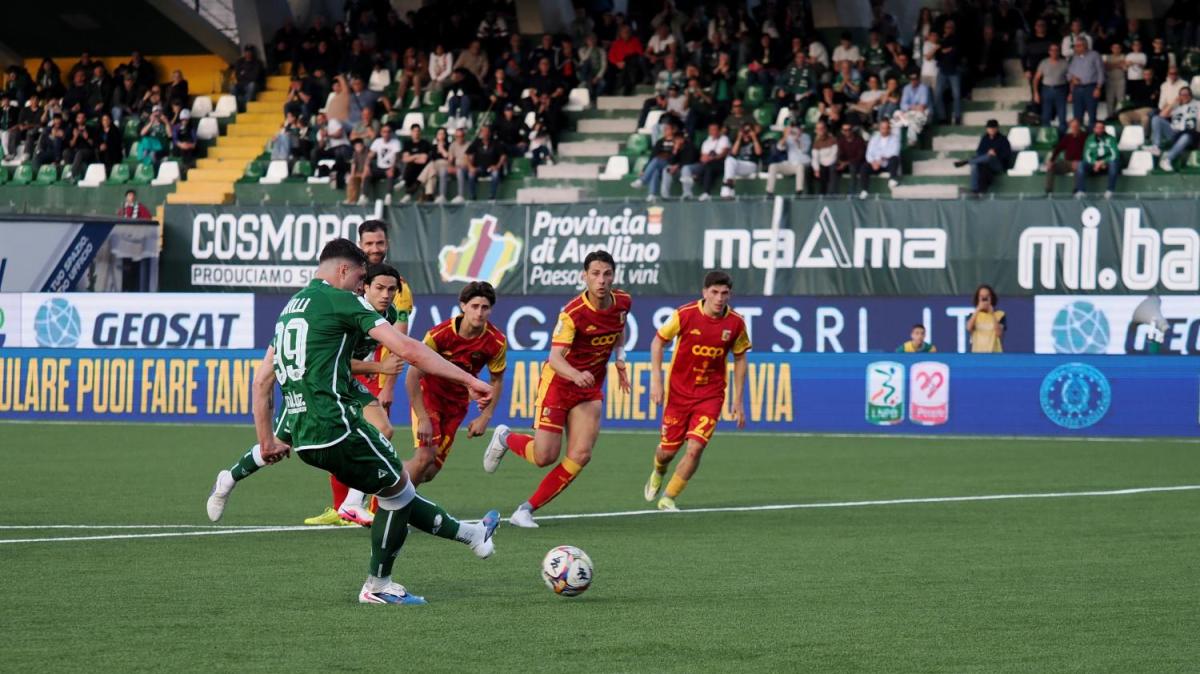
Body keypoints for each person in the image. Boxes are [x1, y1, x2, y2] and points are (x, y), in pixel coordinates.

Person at [205, 239, 500, 605]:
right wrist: (471, 380)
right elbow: (409, 350)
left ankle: (471, 534)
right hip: (335, 425)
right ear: (344, 271)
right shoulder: (341, 300)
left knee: (398, 488)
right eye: (362, 278)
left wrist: (266, 440)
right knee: (397, 494)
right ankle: (377, 586)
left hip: (304, 425)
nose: (363, 286)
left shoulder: (291, 308)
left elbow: (263, 379)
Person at [482, 251, 632, 528]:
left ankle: (525, 510)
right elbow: (555, 358)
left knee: (581, 455)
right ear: (584, 276)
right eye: (595, 274)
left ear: (614, 275)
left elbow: (619, 328)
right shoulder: (572, 314)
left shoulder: (623, 302)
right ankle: (505, 438)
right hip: (560, 385)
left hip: (588, 390)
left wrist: (620, 358)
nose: (601, 280)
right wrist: (576, 375)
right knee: (544, 457)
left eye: (607, 274)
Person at [303, 221, 415, 527]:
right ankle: (346, 506)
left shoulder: (394, 298)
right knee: (291, 442)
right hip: (329, 376)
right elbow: (334, 357)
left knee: (376, 434)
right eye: (369, 244)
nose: (375, 249)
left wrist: (387, 384)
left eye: (380, 243)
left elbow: (399, 343)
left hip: (361, 375)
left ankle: (352, 505)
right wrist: (380, 369)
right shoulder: (344, 296)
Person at [644, 271, 749, 511]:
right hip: (678, 395)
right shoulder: (684, 314)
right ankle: (659, 470)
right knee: (667, 452)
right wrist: (656, 380)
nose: (719, 298)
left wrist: (738, 399)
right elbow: (657, 342)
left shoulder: (736, 323)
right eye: (714, 292)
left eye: (724, 293)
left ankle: (669, 497)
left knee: (695, 448)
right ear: (704, 293)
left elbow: (741, 358)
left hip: (710, 396)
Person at [406, 282, 507, 486]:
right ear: (463, 306)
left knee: (429, 471)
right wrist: (423, 417)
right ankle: (380, 509)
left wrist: (485, 417)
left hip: (456, 407)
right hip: (429, 398)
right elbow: (412, 376)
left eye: (485, 307)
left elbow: (496, 380)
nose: (479, 312)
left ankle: (387, 486)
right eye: (474, 306)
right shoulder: (439, 335)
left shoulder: (496, 342)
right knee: (425, 457)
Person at [955, 119, 1012, 196]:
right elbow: (979, 152)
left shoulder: (1003, 140)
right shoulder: (985, 138)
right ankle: (974, 190)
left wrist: (995, 154)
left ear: (996, 128)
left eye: (992, 128)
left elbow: (1006, 155)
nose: (991, 130)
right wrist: (987, 154)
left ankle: (968, 161)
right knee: (975, 165)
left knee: (989, 157)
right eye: (989, 128)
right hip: (985, 164)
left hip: (998, 164)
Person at [1151, 86, 1200, 171]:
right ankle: (1156, 146)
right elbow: (1162, 115)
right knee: (1156, 119)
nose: (1184, 96)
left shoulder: (1197, 104)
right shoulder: (1176, 106)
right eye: (1182, 95)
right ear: (1179, 96)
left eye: (1186, 94)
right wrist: (1173, 103)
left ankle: (1167, 159)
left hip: (1189, 134)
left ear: (1191, 95)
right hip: (1174, 133)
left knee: (1186, 136)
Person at [630, 120, 678, 201]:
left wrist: (675, 150)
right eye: (664, 129)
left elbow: (678, 156)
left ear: (673, 130)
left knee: (656, 160)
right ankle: (652, 194)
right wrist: (644, 169)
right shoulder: (660, 142)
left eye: (667, 129)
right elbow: (652, 156)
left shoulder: (676, 141)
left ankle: (643, 181)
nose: (665, 131)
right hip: (659, 163)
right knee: (654, 169)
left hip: (670, 163)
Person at [1075, 119, 1121, 198]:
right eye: (1097, 128)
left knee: (1114, 163)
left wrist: (1102, 162)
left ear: (1104, 129)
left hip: (1106, 164)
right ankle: (1081, 191)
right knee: (1080, 164)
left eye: (1101, 128)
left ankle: (1110, 190)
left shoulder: (1111, 139)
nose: (1099, 130)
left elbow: (1115, 154)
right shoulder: (1089, 139)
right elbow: (1086, 155)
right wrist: (1095, 163)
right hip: (1093, 164)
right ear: (1094, 129)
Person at [1066, 37, 1104, 129]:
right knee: (1077, 116)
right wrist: (1072, 79)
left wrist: (1098, 88)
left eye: (1078, 46)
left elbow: (1101, 72)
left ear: (1085, 46)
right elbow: (1068, 74)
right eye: (1075, 46)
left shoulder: (1094, 55)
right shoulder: (1074, 57)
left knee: (1092, 115)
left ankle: (1092, 139)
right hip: (1077, 89)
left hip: (1091, 88)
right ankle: (1080, 139)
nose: (1076, 48)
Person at [687, 122, 730, 200]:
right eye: (711, 130)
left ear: (719, 130)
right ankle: (696, 177)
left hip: (722, 163)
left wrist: (712, 158)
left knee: (708, 166)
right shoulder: (706, 142)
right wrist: (705, 159)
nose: (713, 131)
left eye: (714, 130)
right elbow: (702, 156)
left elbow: (724, 153)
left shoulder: (724, 139)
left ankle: (704, 188)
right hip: (707, 164)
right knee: (703, 167)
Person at [858, 118, 901, 197]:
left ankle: (892, 179)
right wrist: (873, 162)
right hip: (876, 165)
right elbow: (869, 154)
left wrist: (881, 159)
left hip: (888, 164)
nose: (884, 130)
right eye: (882, 128)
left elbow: (894, 152)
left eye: (886, 128)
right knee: (864, 167)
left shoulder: (895, 138)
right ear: (879, 128)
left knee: (894, 159)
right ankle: (864, 190)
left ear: (889, 128)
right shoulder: (874, 138)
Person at [1043, 118, 1086, 194]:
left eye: (1076, 126)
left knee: (1079, 167)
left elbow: (1088, 151)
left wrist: (1080, 160)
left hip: (1080, 162)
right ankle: (1048, 191)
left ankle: (1076, 191)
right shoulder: (1067, 137)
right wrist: (1051, 161)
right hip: (1067, 162)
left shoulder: (1085, 137)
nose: (1074, 128)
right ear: (1070, 127)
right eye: (1072, 126)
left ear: (1079, 126)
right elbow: (1058, 149)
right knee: (1051, 167)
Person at [1033, 43, 1069, 134]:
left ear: (1059, 51)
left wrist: (1071, 93)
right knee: (1046, 115)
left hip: (1061, 89)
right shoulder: (1044, 62)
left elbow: (1070, 79)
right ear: (1049, 52)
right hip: (1047, 90)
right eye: (1052, 50)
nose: (1054, 52)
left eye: (1056, 50)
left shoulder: (1064, 63)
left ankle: (1062, 137)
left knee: (1062, 115)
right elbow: (1036, 79)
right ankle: (1047, 136)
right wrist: (1036, 93)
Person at [766, 122, 810, 195]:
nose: (795, 130)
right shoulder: (789, 137)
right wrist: (786, 135)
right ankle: (769, 192)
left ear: (801, 129)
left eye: (796, 128)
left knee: (800, 166)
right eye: (793, 128)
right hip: (791, 164)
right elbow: (779, 147)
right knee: (773, 166)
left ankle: (799, 191)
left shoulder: (806, 136)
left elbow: (804, 149)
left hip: (804, 163)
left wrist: (798, 139)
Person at [720, 123, 763, 198]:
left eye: (748, 131)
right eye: (744, 131)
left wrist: (754, 137)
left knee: (729, 171)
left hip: (751, 165)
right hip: (739, 165)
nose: (746, 133)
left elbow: (758, 152)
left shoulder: (756, 139)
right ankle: (728, 191)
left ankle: (727, 190)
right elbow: (733, 152)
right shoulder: (739, 141)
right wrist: (739, 138)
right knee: (729, 160)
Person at [465, 124, 506, 200]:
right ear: (481, 133)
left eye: (487, 131)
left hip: (491, 167)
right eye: (483, 131)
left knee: (495, 174)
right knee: (470, 174)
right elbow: (467, 154)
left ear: (490, 133)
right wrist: (470, 167)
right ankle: (472, 196)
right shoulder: (477, 142)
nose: (485, 133)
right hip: (479, 168)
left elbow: (503, 156)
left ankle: (492, 196)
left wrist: (497, 166)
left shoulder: (495, 142)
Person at [934, 21, 963, 124]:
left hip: (954, 70)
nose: (948, 29)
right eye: (947, 27)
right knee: (937, 94)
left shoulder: (957, 38)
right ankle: (942, 118)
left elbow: (956, 52)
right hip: (942, 70)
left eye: (950, 27)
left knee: (956, 95)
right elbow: (937, 55)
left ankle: (957, 117)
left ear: (954, 28)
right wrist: (943, 49)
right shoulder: (941, 40)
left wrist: (944, 50)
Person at [364, 123, 402, 203]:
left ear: (391, 133)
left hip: (392, 167)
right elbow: (370, 155)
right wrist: (366, 166)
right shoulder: (377, 141)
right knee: (367, 174)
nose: (386, 134)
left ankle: (389, 196)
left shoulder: (396, 142)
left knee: (391, 173)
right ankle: (364, 196)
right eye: (384, 132)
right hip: (380, 168)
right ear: (381, 133)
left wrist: (392, 168)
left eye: (388, 132)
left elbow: (397, 157)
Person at [966, 284, 1005, 353]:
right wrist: (978, 309)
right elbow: (969, 328)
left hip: (995, 354)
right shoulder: (973, 315)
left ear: (991, 297)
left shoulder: (1000, 314)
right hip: (977, 354)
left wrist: (992, 314)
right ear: (978, 298)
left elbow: (999, 333)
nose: (984, 299)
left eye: (987, 296)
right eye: (981, 297)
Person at [398, 123, 432, 202]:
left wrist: (412, 157)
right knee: (410, 165)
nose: (416, 133)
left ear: (420, 132)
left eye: (418, 131)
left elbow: (424, 160)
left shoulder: (425, 143)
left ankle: (405, 184)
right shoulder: (407, 143)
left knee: (413, 167)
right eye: (414, 131)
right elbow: (405, 159)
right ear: (411, 132)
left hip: (422, 168)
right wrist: (417, 156)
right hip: (411, 168)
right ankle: (407, 191)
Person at [834, 121, 865, 195]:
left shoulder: (859, 140)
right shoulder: (840, 140)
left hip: (856, 163)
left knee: (853, 167)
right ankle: (833, 194)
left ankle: (851, 194)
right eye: (845, 130)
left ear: (852, 130)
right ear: (842, 131)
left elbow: (860, 157)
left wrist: (846, 163)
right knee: (833, 168)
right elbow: (838, 154)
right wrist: (840, 162)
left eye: (849, 129)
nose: (847, 132)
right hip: (844, 163)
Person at [810, 120, 839, 194]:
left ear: (826, 129)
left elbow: (834, 155)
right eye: (818, 129)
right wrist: (816, 169)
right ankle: (821, 195)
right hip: (822, 164)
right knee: (819, 171)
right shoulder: (816, 143)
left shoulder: (833, 140)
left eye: (822, 128)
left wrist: (826, 164)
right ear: (816, 131)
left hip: (832, 163)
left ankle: (832, 194)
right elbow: (815, 158)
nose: (821, 131)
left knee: (832, 168)